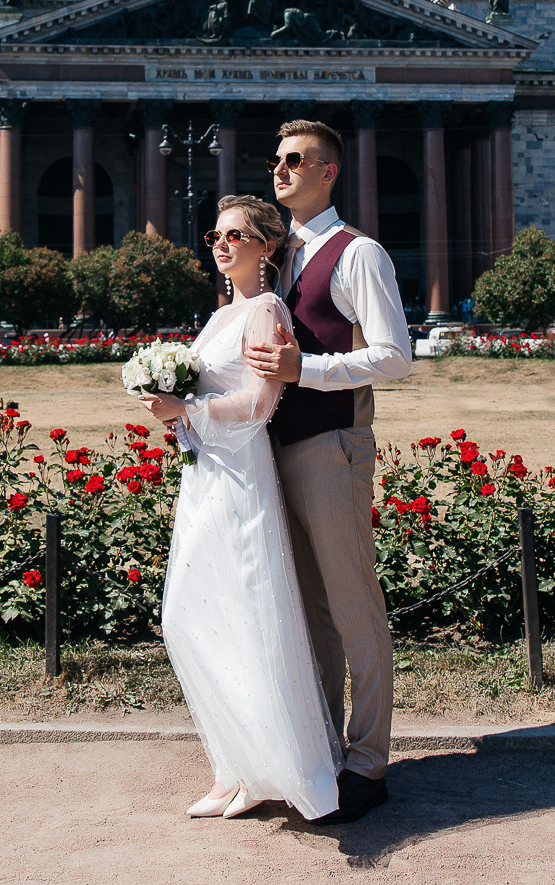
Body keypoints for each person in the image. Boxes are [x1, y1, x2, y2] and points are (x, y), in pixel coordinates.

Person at [138, 196, 340, 821]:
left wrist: (185, 409)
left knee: (239, 610)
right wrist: (171, 407)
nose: (220, 246)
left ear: (266, 248)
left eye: (235, 236)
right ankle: (234, 766)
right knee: (200, 613)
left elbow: (260, 402)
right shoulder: (221, 314)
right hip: (207, 471)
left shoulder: (265, 311)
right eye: (215, 236)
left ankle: (262, 770)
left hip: (241, 475)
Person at [242, 119, 411, 824]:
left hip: (333, 446)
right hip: (280, 449)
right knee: (311, 614)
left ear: (328, 172)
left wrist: (304, 368)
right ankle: (323, 756)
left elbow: (395, 356)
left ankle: (368, 764)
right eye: (277, 161)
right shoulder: (279, 258)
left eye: (295, 160)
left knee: (353, 609)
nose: (280, 170)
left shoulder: (357, 252)